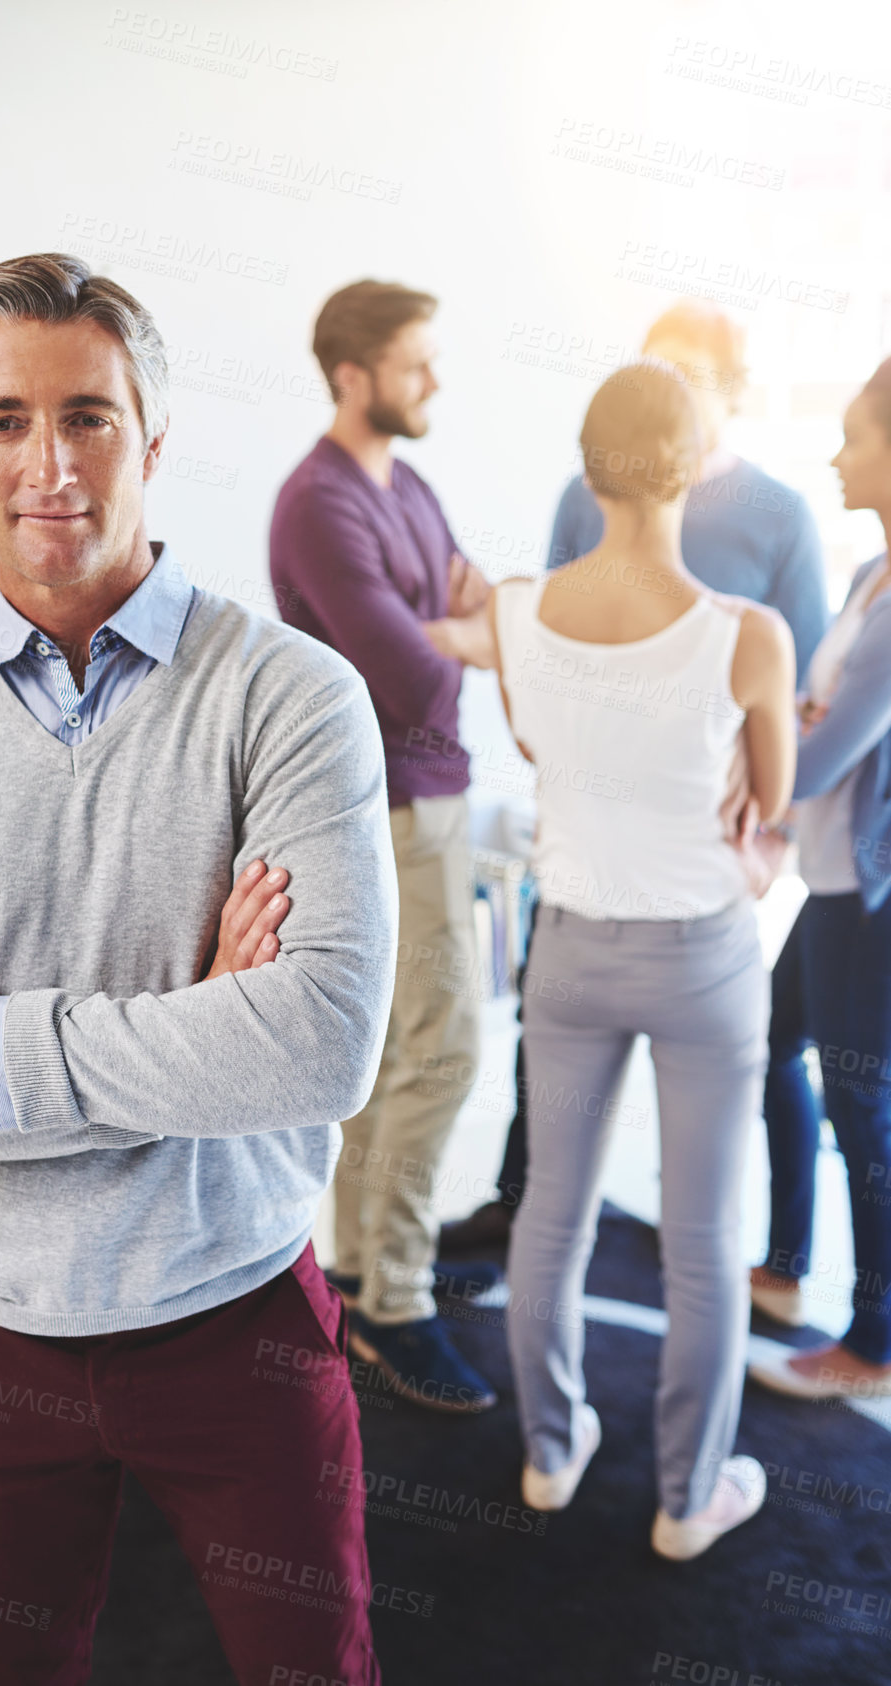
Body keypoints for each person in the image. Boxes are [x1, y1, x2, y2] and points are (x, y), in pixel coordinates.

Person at [0, 253, 399, 1686]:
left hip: (237, 1317)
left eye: (90, 415)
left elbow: (319, 1047)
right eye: (3, 421)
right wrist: (199, 1029)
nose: (49, 462)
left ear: (154, 437)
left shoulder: (293, 697)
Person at [426, 361, 796, 1558]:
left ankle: (549, 1456)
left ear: (588, 471)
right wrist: (737, 834)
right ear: (694, 469)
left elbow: (540, 746)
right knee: (701, 1245)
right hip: (702, 962)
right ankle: (690, 1502)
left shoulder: (519, 613)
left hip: (572, 955)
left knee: (551, 1217)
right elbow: (770, 813)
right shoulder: (749, 637)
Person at [441, 301, 828, 1256]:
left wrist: (767, 843)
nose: (660, 399)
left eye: (684, 379)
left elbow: (801, 695)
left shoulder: (779, 519)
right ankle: (523, 1193)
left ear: (724, 404)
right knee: (558, 1189)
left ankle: (782, 1256)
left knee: (705, 1195)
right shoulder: (582, 501)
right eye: (649, 372)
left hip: (701, 883)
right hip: (582, 886)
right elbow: (549, 669)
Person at [269, 279, 499, 1414]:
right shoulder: (318, 504)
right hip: (387, 806)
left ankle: (365, 1270)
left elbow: (465, 624)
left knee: (405, 1052)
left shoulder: (405, 485)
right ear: (353, 374)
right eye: (416, 362)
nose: (434, 381)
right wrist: (452, 637)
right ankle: (392, 1299)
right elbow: (411, 672)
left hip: (432, 794)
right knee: (440, 1049)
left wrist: (445, 634)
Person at [748, 358, 891, 1398]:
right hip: (831, 875)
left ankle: (874, 1341)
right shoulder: (865, 578)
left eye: (856, 437)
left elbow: (826, 747)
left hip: (868, 895)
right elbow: (812, 710)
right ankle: (788, 1269)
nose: (839, 456)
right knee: (773, 1043)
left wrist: (760, 772)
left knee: (861, 1102)